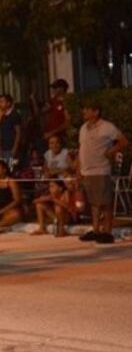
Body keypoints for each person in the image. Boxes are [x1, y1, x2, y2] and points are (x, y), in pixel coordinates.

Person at [76, 104, 128, 244]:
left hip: (100, 169)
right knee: (94, 203)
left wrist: (111, 151)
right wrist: (79, 169)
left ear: (96, 111)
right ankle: (96, 230)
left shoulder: (107, 127)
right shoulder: (83, 128)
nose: (84, 111)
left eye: (87, 109)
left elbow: (123, 141)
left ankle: (107, 231)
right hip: (87, 170)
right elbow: (81, 148)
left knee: (105, 202)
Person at [43, 79, 71, 146]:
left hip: (60, 137)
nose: (53, 90)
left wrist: (52, 132)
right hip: (49, 136)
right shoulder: (53, 100)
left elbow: (67, 122)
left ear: (61, 89)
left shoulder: (67, 102)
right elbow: (44, 111)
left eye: (55, 88)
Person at [0, 94, 23, 164]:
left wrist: (15, 148)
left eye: (2, 102)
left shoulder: (15, 115)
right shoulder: (2, 116)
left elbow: (18, 132)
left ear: (8, 103)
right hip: (3, 147)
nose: (0, 104)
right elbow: (0, 131)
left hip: (12, 147)